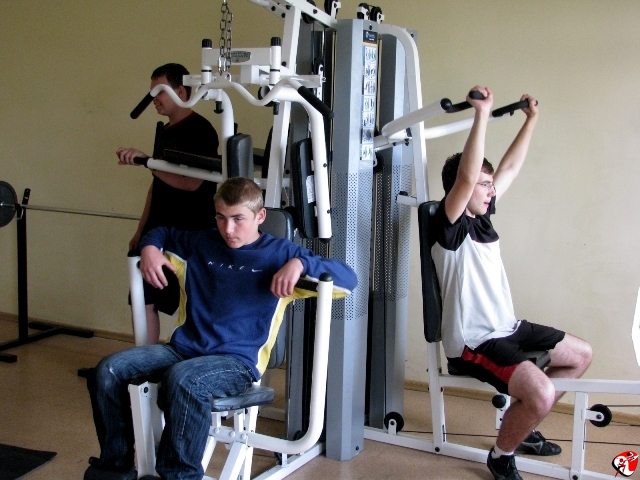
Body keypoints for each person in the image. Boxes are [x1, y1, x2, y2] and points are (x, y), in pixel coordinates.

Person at [84, 177, 358, 480]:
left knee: (184, 379)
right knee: (108, 370)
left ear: (260, 216)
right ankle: (114, 468)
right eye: (221, 217)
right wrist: (150, 247)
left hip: (235, 362)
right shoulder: (200, 244)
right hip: (182, 350)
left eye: (238, 219)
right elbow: (162, 232)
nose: (228, 229)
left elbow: (348, 279)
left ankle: (179, 476)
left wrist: (301, 265)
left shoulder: (282, 253)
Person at [429, 87, 592, 480]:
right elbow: (467, 176)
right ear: (461, 189)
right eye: (483, 185)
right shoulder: (449, 226)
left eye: (490, 184)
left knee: (580, 355)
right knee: (541, 393)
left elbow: (511, 168)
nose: (490, 191)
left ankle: (525, 424)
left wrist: (531, 120)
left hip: (508, 326)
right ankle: (501, 456)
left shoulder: (483, 218)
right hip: (476, 340)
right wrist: (481, 114)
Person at [117, 63, 220, 344]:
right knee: (143, 298)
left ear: (180, 92)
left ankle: (188, 361)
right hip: (158, 231)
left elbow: (192, 183)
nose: (154, 99)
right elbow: (157, 184)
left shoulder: (201, 130)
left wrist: (147, 162)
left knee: (192, 304)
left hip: (191, 231)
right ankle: (143, 362)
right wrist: (141, 230)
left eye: (159, 92)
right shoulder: (165, 131)